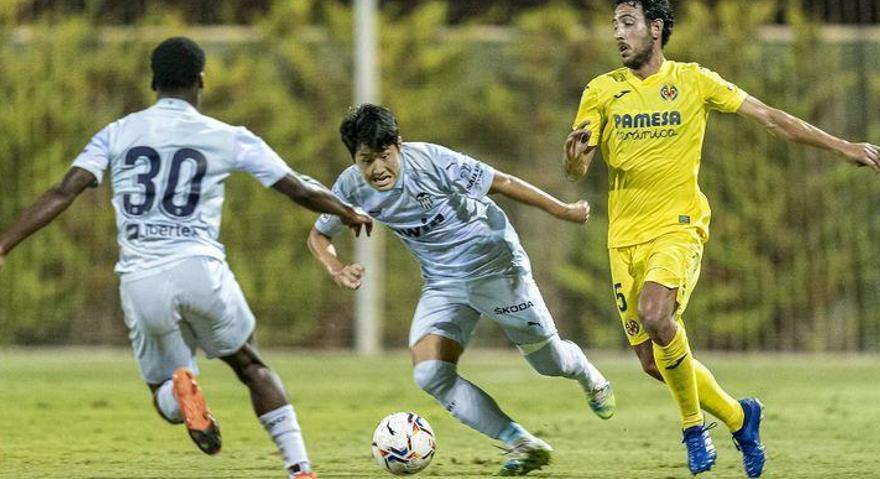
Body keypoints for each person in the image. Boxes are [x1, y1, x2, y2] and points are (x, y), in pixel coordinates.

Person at [0, 37, 373, 479]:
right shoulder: (227, 136)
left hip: (141, 279)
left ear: (153, 81)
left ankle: (181, 395)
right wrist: (345, 211)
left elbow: (65, 190)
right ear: (201, 80)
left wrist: (4, 245)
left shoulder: (118, 132)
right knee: (250, 365)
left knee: (163, 388)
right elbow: (296, 187)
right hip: (201, 269)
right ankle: (299, 468)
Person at [564, 0, 880, 477]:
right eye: (614, 25)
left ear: (655, 27)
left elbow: (773, 120)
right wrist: (573, 159)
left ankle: (694, 429)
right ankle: (739, 416)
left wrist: (844, 147)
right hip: (623, 239)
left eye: (627, 22)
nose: (618, 34)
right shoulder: (601, 90)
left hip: (679, 226)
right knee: (653, 360)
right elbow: (578, 168)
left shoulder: (694, 81)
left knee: (655, 312)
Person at [308, 103, 614, 476]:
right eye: (366, 159)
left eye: (385, 156)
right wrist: (336, 268)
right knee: (430, 374)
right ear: (355, 158)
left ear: (398, 145)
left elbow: (502, 182)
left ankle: (587, 375)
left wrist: (561, 210)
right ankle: (521, 442)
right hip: (443, 283)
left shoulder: (433, 161)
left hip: (497, 268)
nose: (377, 169)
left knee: (549, 364)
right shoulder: (351, 186)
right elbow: (319, 235)